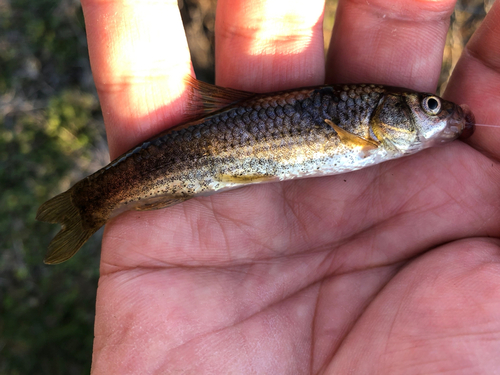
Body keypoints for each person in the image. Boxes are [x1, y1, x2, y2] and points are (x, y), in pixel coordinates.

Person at [82, 0, 500, 373]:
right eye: (430, 106)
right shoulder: (368, 130)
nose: (436, 113)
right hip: (208, 150)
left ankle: (91, 203)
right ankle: (90, 203)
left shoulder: (380, 134)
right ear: (384, 114)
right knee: (157, 178)